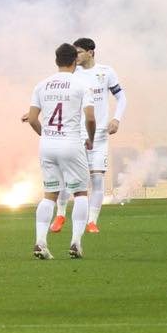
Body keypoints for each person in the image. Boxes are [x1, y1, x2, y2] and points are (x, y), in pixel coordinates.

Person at [25, 43, 96, 260]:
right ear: (75, 60)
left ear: (56, 61)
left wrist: (46, 136)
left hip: (47, 145)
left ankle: (40, 242)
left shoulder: (42, 85)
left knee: (49, 195)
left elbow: (32, 119)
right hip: (71, 143)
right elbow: (90, 117)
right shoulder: (81, 85)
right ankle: (75, 243)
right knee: (81, 193)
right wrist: (91, 140)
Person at [74, 37, 126, 234]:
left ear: (91, 52)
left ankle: (92, 222)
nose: (76, 56)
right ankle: (60, 214)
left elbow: (121, 97)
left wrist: (116, 119)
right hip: (76, 135)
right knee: (73, 181)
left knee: (97, 179)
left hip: (100, 136)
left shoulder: (106, 72)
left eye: (79, 52)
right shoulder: (72, 73)